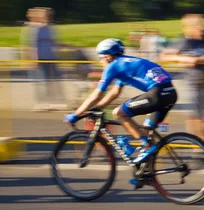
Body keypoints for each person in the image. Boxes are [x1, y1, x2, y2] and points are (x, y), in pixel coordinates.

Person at [63, 38, 178, 167]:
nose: (100, 62)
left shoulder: (113, 66)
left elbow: (97, 94)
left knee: (119, 113)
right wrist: (97, 107)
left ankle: (147, 146)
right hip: (170, 93)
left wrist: (76, 114)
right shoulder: (125, 63)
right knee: (146, 131)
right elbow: (115, 92)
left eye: (100, 58)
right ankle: (146, 173)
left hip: (157, 94)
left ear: (108, 56)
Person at [160, 14, 204, 143]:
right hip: (191, 84)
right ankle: (197, 146)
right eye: (197, 26)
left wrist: (197, 60)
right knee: (194, 117)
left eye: (202, 25)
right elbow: (164, 56)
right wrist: (182, 58)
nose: (201, 28)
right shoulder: (183, 40)